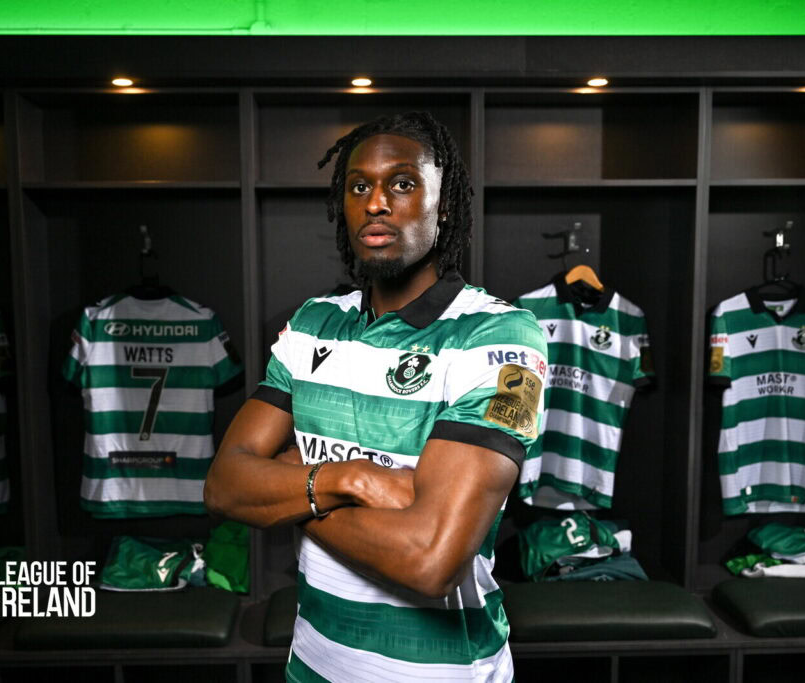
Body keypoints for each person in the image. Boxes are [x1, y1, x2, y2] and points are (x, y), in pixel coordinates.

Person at [205, 111, 548, 682]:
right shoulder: (314, 323)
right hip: (313, 665)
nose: (376, 202)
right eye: (359, 185)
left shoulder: (500, 337)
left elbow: (429, 558)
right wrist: (350, 479)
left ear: (447, 206)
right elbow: (224, 486)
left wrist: (293, 487)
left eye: (403, 183)